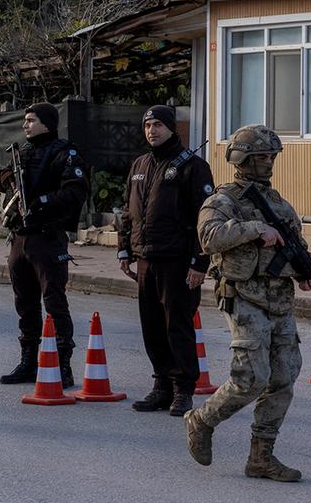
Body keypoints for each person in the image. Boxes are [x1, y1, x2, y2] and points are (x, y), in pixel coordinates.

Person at [185, 124, 311, 482]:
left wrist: (302, 269)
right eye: (261, 156)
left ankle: (261, 456)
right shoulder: (222, 201)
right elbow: (209, 237)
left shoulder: (278, 203)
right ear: (242, 158)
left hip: (279, 300)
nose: (268, 162)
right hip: (243, 296)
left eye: (272, 156)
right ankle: (201, 420)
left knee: (284, 378)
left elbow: (293, 244)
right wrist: (256, 229)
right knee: (251, 379)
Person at [118, 106, 215, 416]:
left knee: (178, 326)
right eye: (147, 125)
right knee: (153, 327)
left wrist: (200, 263)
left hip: (178, 262)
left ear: (172, 128)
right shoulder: (139, 164)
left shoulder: (192, 166)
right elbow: (127, 211)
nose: (152, 130)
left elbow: (205, 219)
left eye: (158, 124)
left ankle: (183, 389)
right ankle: (161, 386)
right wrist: (124, 250)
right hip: (146, 259)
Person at [0, 103, 89, 388]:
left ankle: (63, 364)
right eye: (24, 120)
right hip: (21, 237)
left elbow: (75, 192)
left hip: (48, 237)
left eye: (31, 120)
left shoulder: (64, 153)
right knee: (25, 303)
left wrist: (42, 202)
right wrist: (7, 178)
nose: (25, 125)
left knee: (54, 302)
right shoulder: (22, 152)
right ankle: (29, 361)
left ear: (46, 123)